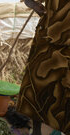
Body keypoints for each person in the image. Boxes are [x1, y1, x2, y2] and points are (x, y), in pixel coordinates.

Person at [16, 0, 70, 134]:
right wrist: (34, 5)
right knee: (36, 86)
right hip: (48, 38)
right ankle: (36, 131)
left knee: (66, 91)